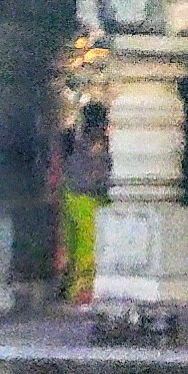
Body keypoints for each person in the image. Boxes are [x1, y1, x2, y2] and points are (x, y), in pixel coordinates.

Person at [60, 102, 110, 303]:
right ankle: (82, 293)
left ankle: (75, 290)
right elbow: (98, 175)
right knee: (87, 249)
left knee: (74, 247)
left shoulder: (73, 139)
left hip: (71, 195)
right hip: (89, 199)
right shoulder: (96, 145)